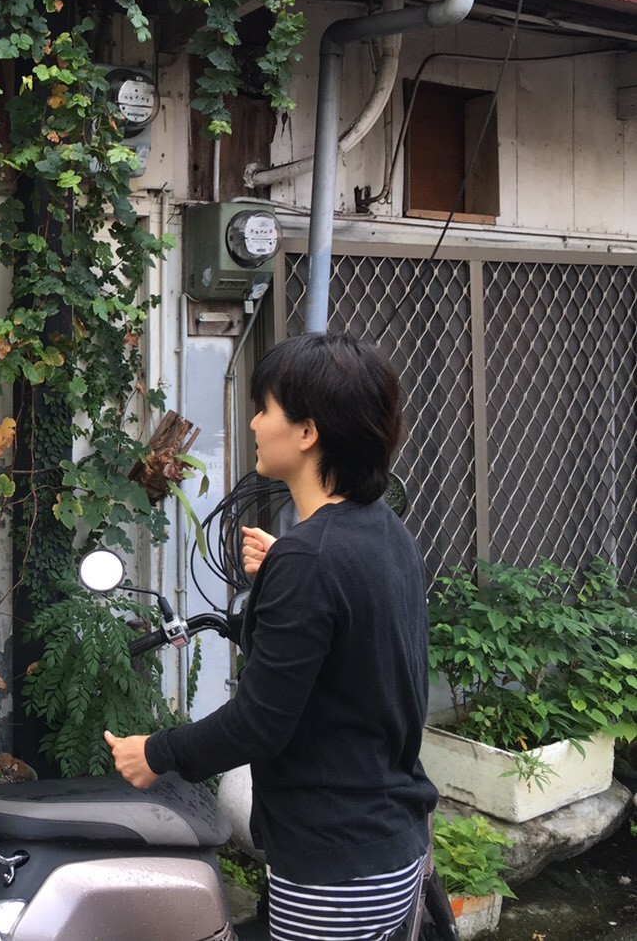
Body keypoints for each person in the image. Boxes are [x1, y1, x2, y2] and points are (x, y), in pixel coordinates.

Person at [105, 332, 438, 941]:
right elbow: (352, 652)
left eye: (265, 409)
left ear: (307, 432)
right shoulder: (384, 532)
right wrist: (287, 564)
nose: (254, 423)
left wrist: (155, 754)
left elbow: (261, 721)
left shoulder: (312, 560)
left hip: (333, 866)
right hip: (394, 844)